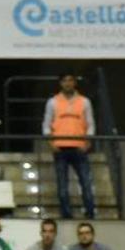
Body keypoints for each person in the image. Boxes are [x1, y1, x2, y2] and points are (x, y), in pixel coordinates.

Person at [42, 73, 95, 219]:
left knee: (86, 183)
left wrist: (88, 142)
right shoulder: (52, 102)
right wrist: (50, 143)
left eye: (70, 80)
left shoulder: (84, 102)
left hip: (79, 147)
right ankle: (66, 215)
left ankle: (90, 213)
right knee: (62, 186)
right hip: (60, 147)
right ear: (60, 83)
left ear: (75, 83)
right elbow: (46, 125)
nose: (67, 83)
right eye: (64, 81)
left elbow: (90, 124)